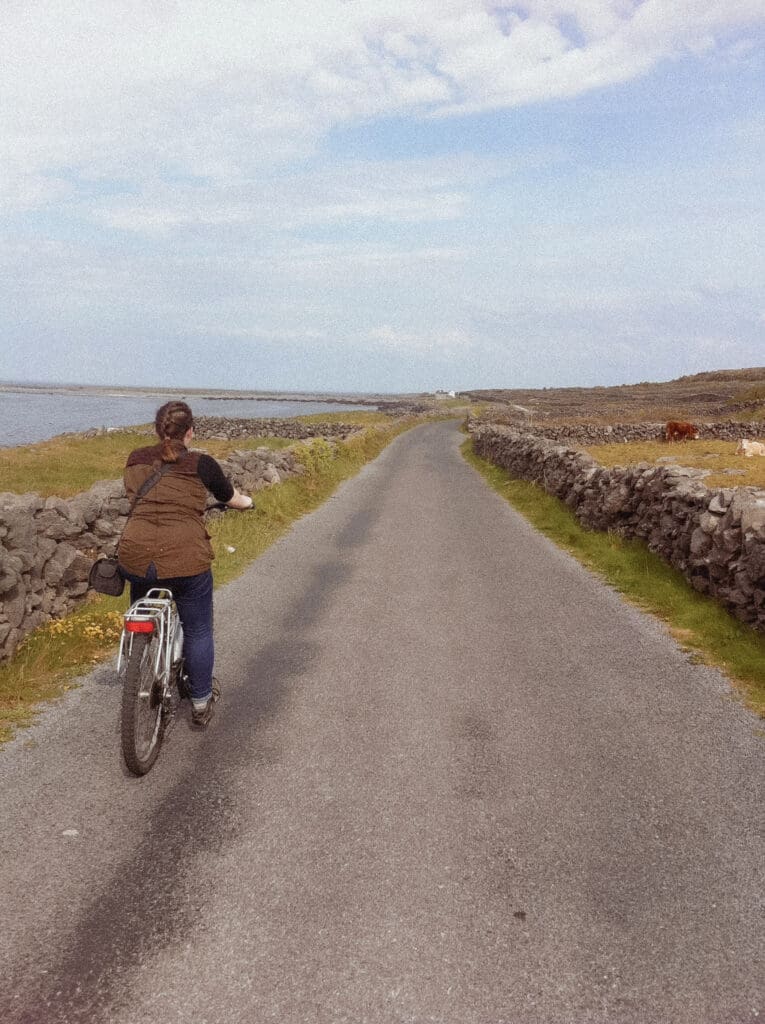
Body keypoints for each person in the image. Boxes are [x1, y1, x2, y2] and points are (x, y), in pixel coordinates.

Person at [117, 401, 252, 727]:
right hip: (186, 558)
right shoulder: (201, 464)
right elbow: (230, 496)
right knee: (199, 628)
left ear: (157, 429)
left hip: (135, 555)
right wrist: (248, 503)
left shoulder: (135, 459)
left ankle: (142, 653)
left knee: (143, 596)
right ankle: (202, 700)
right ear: (190, 431)